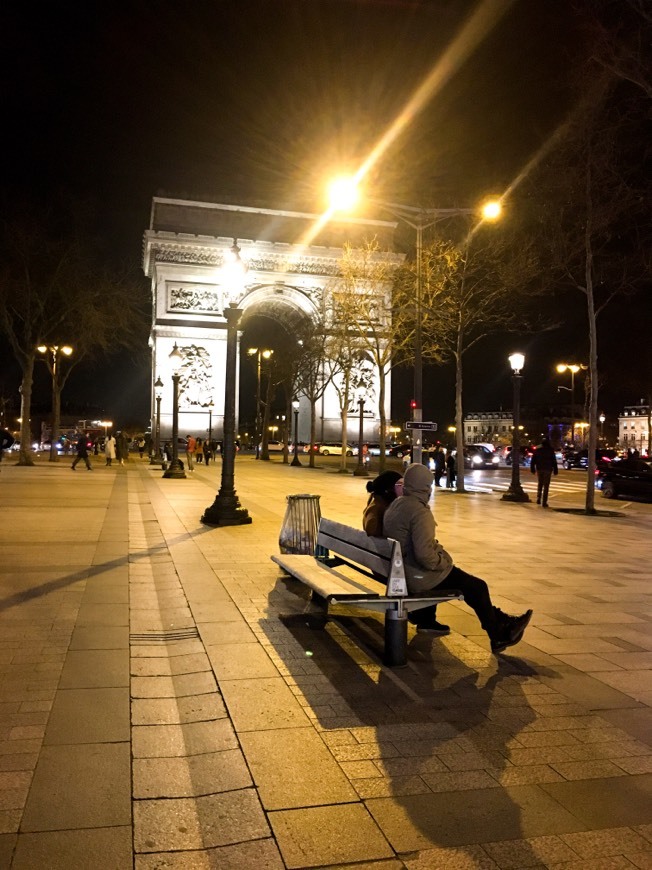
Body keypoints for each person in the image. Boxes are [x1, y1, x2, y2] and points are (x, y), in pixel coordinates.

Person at [383, 463, 532, 653]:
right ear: (425, 487)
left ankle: (501, 622)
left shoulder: (397, 504)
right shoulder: (419, 512)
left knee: (467, 583)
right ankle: (498, 633)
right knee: (477, 587)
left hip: (402, 569)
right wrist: (443, 561)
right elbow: (425, 556)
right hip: (418, 575)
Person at [363, 470, 449, 636]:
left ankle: (424, 616)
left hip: (385, 563)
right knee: (427, 569)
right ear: (390, 490)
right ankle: (425, 619)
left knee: (424, 565)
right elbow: (373, 527)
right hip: (392, 567)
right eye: (399, 486)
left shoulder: (378, 505)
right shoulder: (379, 509)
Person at [530, 437, 558, 507]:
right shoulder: (550, 450)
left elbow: (533, 460)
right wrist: (555, 469)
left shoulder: (538, 449)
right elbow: (554, 460)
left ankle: (538, 498)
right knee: (546, 486)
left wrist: (532, 468)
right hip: (548, 469)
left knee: (540, 484)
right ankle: (544, 502)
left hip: (539, 468)